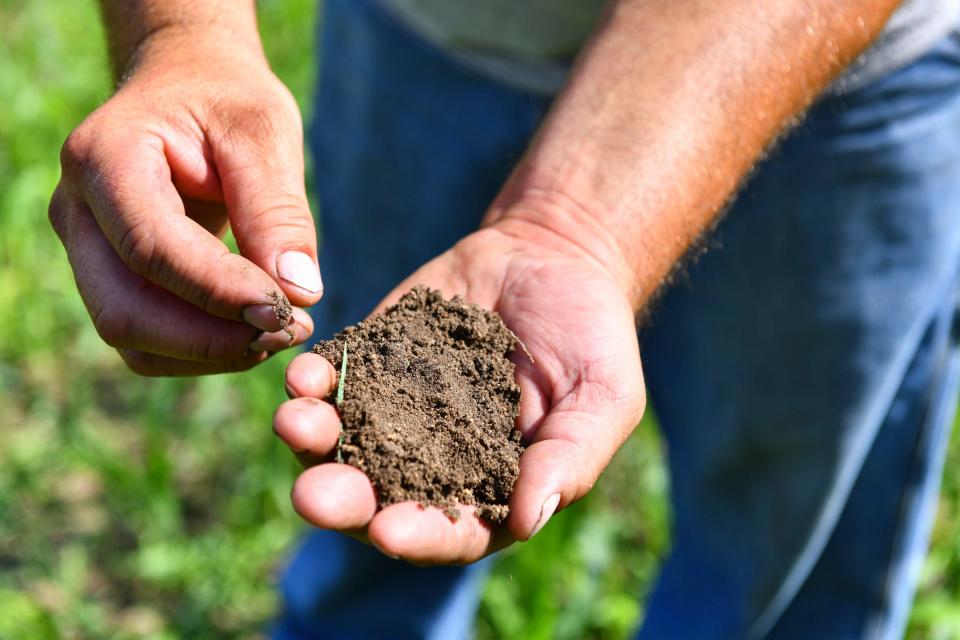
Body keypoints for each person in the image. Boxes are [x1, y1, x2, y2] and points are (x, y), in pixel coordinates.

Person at [49, 0, 960, 637]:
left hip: (827, 73)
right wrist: (182, 32)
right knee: (367, 535)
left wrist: (578, 224)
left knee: (780, 541)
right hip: (422, 40)